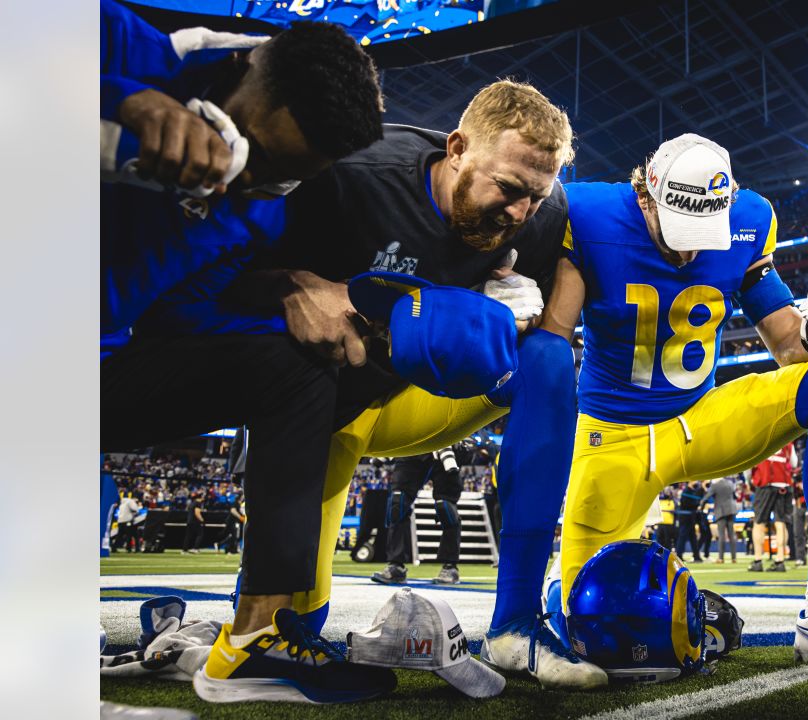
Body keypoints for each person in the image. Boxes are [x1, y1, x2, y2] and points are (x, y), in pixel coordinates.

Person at [217, 80, 606, 690]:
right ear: (456, 148)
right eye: (507, 189)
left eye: (537, 195)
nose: (519, 213)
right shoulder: (353, 177)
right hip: (323, 402)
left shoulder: (538, 214)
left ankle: (516, 625)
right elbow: (218, 270)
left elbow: (550, 285)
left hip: (418, 395)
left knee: (549, 361)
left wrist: (521, 314)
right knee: (294, 626)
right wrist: (291, 283)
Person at [99, 1, 394, 704]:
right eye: (253, 156)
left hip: (92, 368)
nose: (245, 183)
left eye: (281, 177)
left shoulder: (263, 208)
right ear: (239, 74)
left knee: (299, 368)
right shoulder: (116, 42)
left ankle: (257, 638)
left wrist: (308, 311)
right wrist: (121, 99)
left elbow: (179, 315)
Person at [543, 134, 808, 673]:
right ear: (647, 193)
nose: (690, 251)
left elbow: (785, 344)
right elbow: (554, 339)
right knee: (586, 629)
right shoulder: (589, 214)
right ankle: (553, 592)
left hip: (697, 421)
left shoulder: (750, 220)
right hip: (610, 432)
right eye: (679, 232)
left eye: (703, 236)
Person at [371, 445, 465, 585]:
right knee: (398, 503)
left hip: (446, 441)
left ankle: (450, 566)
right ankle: (396, 565)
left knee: (446, 507)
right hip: (414, 443)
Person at [748, 442, 797, 572]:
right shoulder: (788, 442)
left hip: (765, 483)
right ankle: (780, 560)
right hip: (784, 484)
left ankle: (758, 561)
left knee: (759, 522)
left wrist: (751, 481)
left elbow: (748, 465)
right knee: (781, 523)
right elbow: (794, 463)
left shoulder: (759, 438)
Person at [704, 476, 740, 563]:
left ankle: (721, 558)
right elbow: (735, 496)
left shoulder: (715, 485)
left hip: (721, 511)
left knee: (721, 535)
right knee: (732, 535)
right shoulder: (730, 484)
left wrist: (700, 503)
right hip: (731, 509)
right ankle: (734, 558)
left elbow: (707, 497)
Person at [674, 483, 705, 563]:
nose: (696, 482)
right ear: (690, 482)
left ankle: (696, 556)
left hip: (690, 518)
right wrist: (698, 503)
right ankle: (679, 556)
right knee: (683, 536)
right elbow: (688, 503)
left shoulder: (691, 491)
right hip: (685, 518)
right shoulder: (687, 491)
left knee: (692, 537)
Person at [182, 489, 207, 554]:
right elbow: (197, 513)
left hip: (189, 521)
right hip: (195, 521)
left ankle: (184, 550)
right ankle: (195, 548)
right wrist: (202, 520)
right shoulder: (198, 503)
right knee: (200, 534)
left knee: (188, 536)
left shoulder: (192, 503)